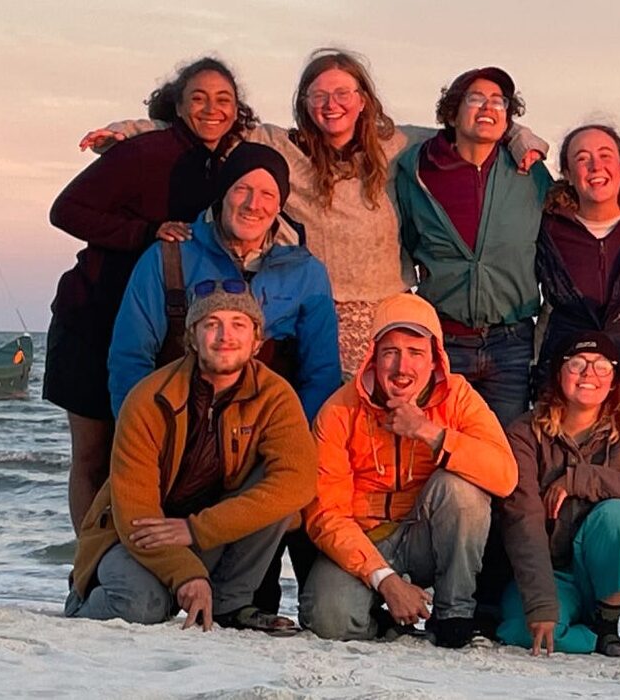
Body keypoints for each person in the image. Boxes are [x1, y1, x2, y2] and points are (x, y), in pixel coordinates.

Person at [80, 48, 548, 377]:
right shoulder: (280, 146)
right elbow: (210, 125)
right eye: (319, 95)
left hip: (385, 308)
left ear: (363, 98)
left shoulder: (397, 143)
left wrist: (518, 135)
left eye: (343, 93)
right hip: (313, 311)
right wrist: (134, 129)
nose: (332, 105)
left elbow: (473, 124)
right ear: (304, 103)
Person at [49, 56, 257, 528]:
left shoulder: (229, 163)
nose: (211, 109)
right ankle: (88, 567)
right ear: (179, 106)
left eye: (223, 99)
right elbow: (65, 211)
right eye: (198, 98)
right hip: (93, 314)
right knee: (94, 455)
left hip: (162, 329)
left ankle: (147, 564)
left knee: (154, 456)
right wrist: (147, 232)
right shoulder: (143, 153)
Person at [64, 284, 316, 633]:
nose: (225, 336)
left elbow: (299, 482)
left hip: (204, 532)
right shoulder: (148, 399)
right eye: (211, 323)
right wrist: (187, 575)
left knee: (281, 490)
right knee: (143, 606)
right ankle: (81, 601)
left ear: (257, 341)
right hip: (139, 537)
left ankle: (231, 605)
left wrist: (195, 529)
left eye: (239, 325)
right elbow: (134, 517)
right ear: (193, 339)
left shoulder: (275, 396)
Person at [299, 292, 517, 648]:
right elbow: (326, 513)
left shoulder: (458, 397)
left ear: (435, 360)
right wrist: (384, 578)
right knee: (328, 618)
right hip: (367, 537)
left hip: (428, 535)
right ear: (372, 358)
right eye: (391, 353)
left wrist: (429, 432)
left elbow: (504, 477)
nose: (402, 367)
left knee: (463, 490)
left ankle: (453, 616)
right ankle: (385, 621)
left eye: (416, 353)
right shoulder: (339, 410)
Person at [107, 142, 340, 422]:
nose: (254, 204)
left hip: (268, 431)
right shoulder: (168, 256)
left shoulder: (306, 272)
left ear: (279, 206)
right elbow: (130, 357)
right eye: (242, 189)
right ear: (223, 193)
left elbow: (321, 374)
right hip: (178, 427)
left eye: (268, 194)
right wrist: (142, 431)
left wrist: (293, 438)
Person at [390, 67, 553, 426]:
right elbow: (405, 243)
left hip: (510, 340)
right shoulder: (418, 171)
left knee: (505, 455)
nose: (487, 107)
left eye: (498, 101)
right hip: (444, 339)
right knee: (437, 447)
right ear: (452, 111)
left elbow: (551, 243)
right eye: (476, 98)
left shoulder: (530, 175)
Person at [496, 332, 620, 657]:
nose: (589, 374)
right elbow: (522, 518)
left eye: (602, 366)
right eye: (577, 364)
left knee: (616, 515)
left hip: (617, 573)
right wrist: (543, 603)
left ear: (614, 378)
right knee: (521, 633)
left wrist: (583, 479)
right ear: (558, 373)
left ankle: (609, 624)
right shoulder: (524, 433)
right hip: (554, 572)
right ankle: (594, 637)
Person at [535, 125, 620, 412]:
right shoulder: (547, 228)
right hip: (567, 383)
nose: (596, 166)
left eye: (605, 155)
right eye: (581, 158)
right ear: (567, 174)